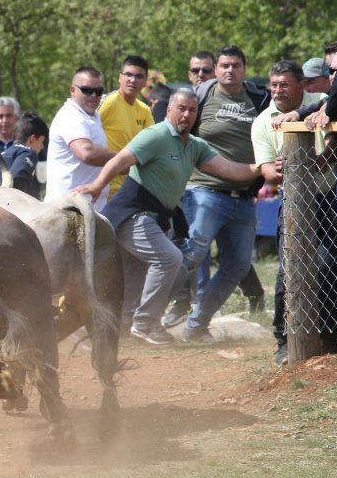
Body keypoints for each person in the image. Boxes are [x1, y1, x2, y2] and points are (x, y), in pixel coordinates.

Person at [77, 88, 262, 345]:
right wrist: (97, 186)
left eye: (192, 110)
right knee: (170, 259)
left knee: (134, 278)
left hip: (153, 219)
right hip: (131, 214)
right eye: (181, 108)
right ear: (169, 110)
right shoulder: (156, 135)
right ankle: (145, 325)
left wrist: (260, 167)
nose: (186, 114)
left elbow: (228, 169)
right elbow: (119, 160)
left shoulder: (194, 146)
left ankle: (110, 330)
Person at [173, 45, 269, 343]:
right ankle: (143, 314)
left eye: (236, 65)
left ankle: (196, 325)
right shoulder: (201, 97)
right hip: (203, 191)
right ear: (216, 69)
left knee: (238, 264)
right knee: (193, 254)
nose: (230, 70)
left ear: (244, 68)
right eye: (224, 65)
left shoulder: (258, 99)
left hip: (243, 197)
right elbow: (176, 131)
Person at [251, 60, 337, 364]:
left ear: (302, 85)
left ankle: (330, 334)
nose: (277, 90)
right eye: (273, 85)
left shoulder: (320, 105)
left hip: (328, 197)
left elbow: (336, 128)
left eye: (284, 84)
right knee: (287, 270)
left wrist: (327, 150)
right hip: (292, 203)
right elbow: (266, 174)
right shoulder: (263, 121)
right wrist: (278, 169)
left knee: (329, 265)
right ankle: (284, 338)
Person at [43, 66, 112, 209]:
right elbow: (86, 153)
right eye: (87, 90)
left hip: (89, 210)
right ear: (73, 91)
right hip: (66, 212)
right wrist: (126, 159)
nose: (94, 95)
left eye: (98, 91)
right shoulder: (70, 116)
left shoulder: (91, 114)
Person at [99, 55, 154, 197]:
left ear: (145, 81)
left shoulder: (144, 110)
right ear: (119, 78)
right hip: (100, 189)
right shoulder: (109, 103)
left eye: (139, 76)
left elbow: (153, 146)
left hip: (129, 192)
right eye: (128, 75)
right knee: (75, 219)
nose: (133, 80)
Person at [0, 112, 48, 199]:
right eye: (42, 141)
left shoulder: (3, 155)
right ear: (33, 138)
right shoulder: (28, 152)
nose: (42, 147)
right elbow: (17, 180)